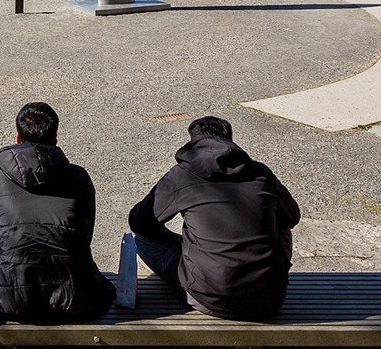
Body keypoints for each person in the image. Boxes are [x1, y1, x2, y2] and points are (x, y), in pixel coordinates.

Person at [128, 115, 300, 319]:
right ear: (231, 139)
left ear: (193, 141)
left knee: (143, 239)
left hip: (208, 297)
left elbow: (139, 222)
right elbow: (292, 217)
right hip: (268, 298)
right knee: (282, 226)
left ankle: (200, 273)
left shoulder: (182, 175)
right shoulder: (260, 172)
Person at [0, 101, 110, 321]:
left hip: (7, 301)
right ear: (55, 139)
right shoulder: (79, 177)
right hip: (72, 298)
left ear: (17, 137)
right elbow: (84, 237)